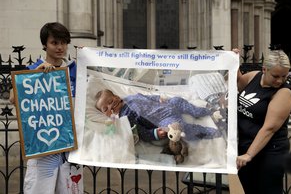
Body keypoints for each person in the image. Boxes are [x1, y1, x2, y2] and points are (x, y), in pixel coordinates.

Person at [10, 22, 83, 194]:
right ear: (45, 44)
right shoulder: (33, 69)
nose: (60, 47)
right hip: (42, 148)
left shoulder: (74, 71)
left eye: (64, 42)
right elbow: (13, 98)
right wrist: (36, 75)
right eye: (54, 43)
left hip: (69, 147)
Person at [235, 49, 291, 194]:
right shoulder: (253, 76)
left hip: (269, 153)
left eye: (284, 76)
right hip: (245, 147)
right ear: (264, 69)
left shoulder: (284, 93)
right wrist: (233, 60)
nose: (280, 80)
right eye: (275, 76)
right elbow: (237, 82)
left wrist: (249, 154)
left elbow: (269, 128)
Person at [95, 89, 222, 141]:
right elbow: (139, 131)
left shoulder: (131, 97)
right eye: (105, 108)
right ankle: (212, 132)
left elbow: (145, 97)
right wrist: (154, 134)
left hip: (168, 105)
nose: (110, 107)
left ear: (116, 97)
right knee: (181, 129)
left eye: (110, 101)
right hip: (165, 119)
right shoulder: (125, 118)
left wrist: (158, 98)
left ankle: (212, 113)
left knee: (184, 103)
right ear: (105, 114)